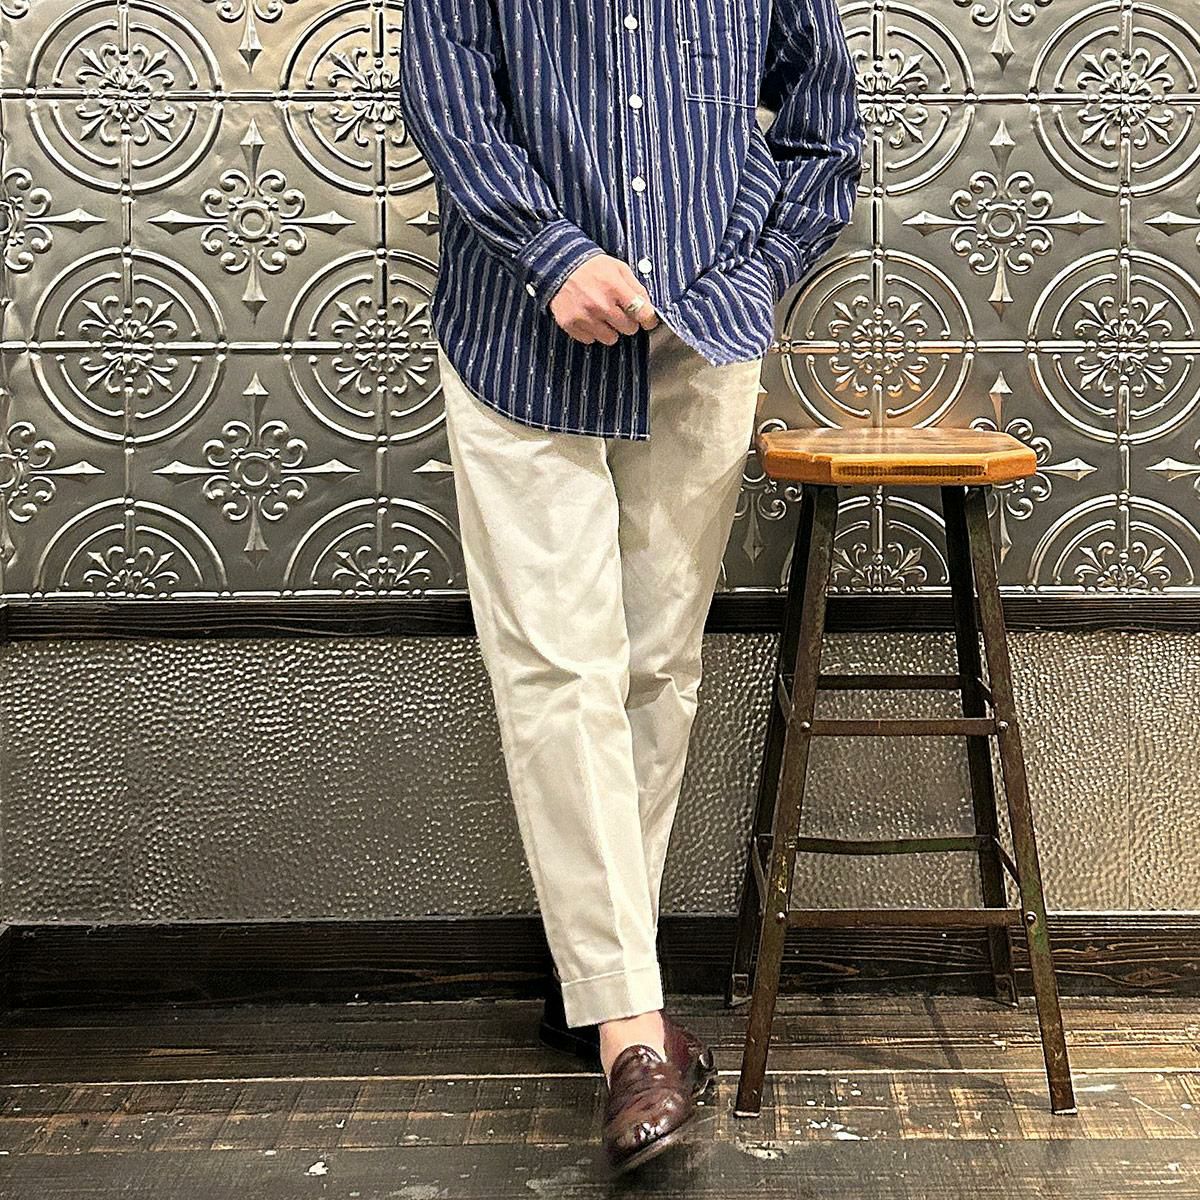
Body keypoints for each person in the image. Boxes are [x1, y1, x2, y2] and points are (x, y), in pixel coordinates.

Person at [398, 0, 864, 1174]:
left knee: (657, 666)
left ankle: (609, 999)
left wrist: (756, 273)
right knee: (560, 669)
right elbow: (450, 102)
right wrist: (552, 252)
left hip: (701, 339)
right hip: (518, 335)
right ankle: (633, 1036)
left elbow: (825, 127)